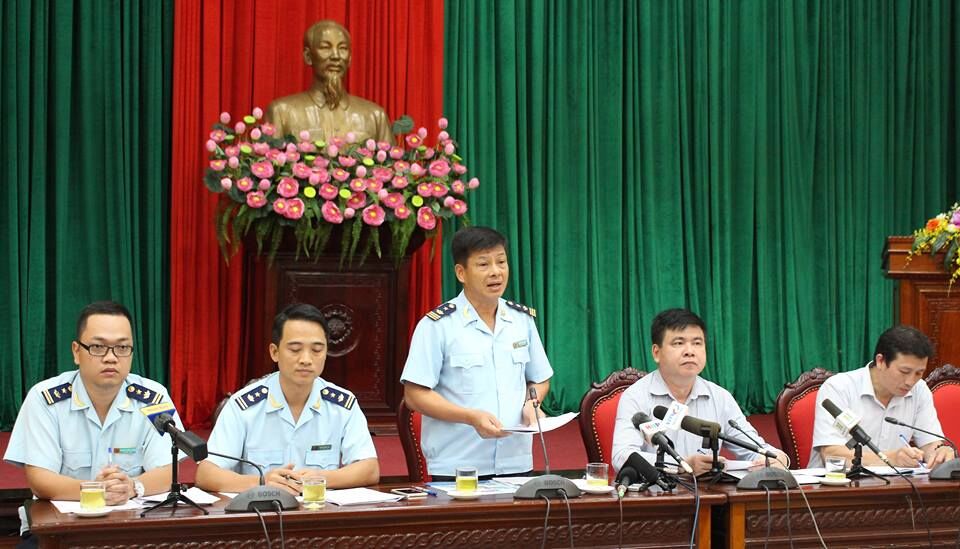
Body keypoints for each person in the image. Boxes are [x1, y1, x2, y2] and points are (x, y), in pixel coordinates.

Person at [4, 301, 181, 543]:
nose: (111, 358)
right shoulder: (45, 399)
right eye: (98, 347)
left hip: (132, 530)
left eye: (122, 347)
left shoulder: (154, 398)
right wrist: (96, 490)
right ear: (76, 351)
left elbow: (169, 470)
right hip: (60, 531)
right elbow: (40, 480)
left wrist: (132, 487)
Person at [401, 226, 554, 480]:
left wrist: (532, 404)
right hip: (459, 466)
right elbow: (414, 395)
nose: (496, 272)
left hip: (516, 463)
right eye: (483, 264)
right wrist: (470, 417)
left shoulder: (521, 320)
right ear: (461, 272)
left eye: (501, 262)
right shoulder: (437, 326)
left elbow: (540, 378)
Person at [195, 303, 378, 494]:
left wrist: (321, 478)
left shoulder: (342, 405)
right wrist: (261, 482)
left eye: (317, 350)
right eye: (295, 349)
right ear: (274, 352)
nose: (306, 359)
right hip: (262, 509)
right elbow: (206, 474)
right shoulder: (243, 406)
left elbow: (370, 469)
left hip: (318, 508)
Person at [611, 308, 788, 476]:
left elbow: (755, 449)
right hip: (656, 493)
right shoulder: (636, 397)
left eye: (697, 343)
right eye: (679, 343)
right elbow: (623, 456)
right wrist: (682, 465)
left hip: (710, 494)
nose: (690, 351)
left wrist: (778, 458)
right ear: (656, 353)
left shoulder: (720, 397)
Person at [810, 325, 956, 468]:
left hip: (896, 482)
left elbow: (930, 444)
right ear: (880, 361)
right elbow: (831, 455)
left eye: (919, 373)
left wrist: (940, 452)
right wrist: (891, 459)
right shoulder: (839, 388)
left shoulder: (919, 390)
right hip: (837, 482)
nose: (910, 382)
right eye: (904, 372)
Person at [265, 19, 393, 143]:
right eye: (325, 48)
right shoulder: (281, 112)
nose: (336, 56)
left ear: (349, 58)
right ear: (308, 56)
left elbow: (390, 157)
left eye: (343, 48)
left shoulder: (376, 117)